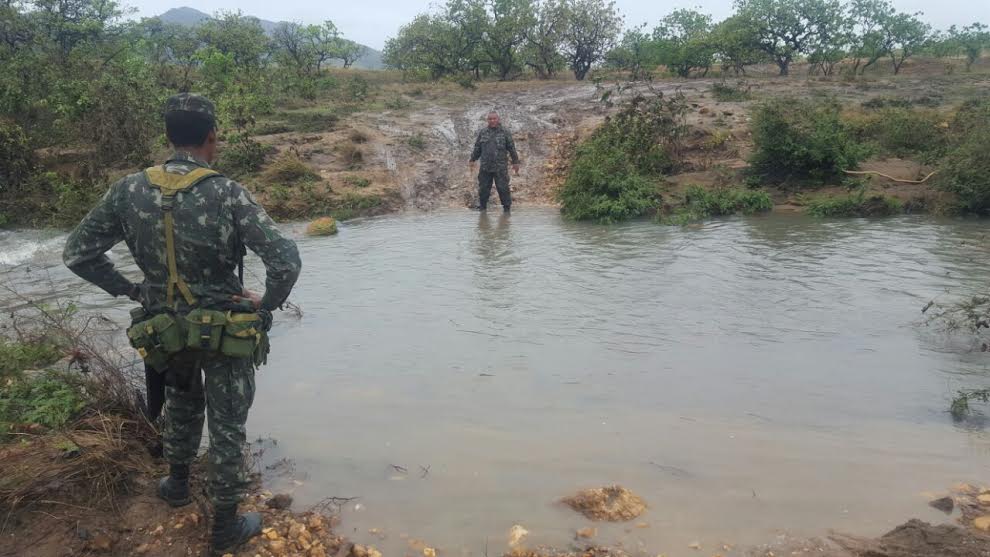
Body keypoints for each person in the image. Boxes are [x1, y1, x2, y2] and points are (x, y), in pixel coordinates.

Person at [62, 93, 301, 556]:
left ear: (168, 137)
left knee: (181, 401)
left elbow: (77, 254)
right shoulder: (227, 191)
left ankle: (176, 485)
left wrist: (132, 290)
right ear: (212, 137)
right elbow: (285, 260)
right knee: (228, 422)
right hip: (224, 328)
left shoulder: (128, 189)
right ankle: (226, 527)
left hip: (163, 328)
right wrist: (265, 306)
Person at [469, 111, 520, 212]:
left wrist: (515, 162)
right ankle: (482, 208)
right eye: (490, 119)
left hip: (500, 168)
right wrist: (472, 159)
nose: (492, 121)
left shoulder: (505, 132)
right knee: (483, 189)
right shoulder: (483, 132)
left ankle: (507, 210)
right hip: (485, 167)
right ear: (487, 120)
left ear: (498, 119)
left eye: (494, 119)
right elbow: (477, 147)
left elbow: (511, 148)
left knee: (503, 189)